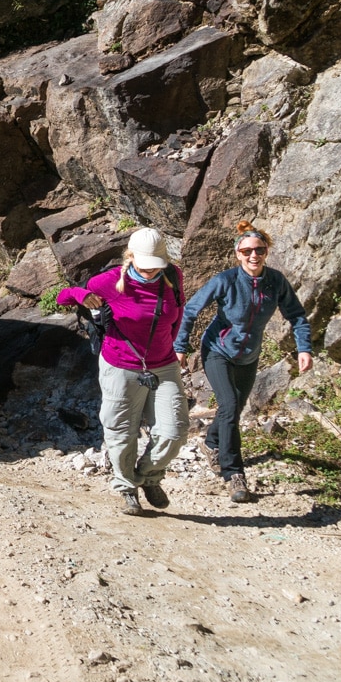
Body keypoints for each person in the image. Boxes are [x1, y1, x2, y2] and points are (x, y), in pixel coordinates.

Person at [175, 221, 313, 504]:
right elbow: (191, 309)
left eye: (259, 250)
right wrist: (180, 346)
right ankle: (233, 474)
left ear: (266, 252)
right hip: (217, 350)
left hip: (249, 356)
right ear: (238, 254)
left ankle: (211, 442)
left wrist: (304, 348)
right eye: (247, 250)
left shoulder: (275, 282)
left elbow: (296, 315)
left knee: (233, 409)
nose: (254, 255)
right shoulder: (225, 280)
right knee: (227, 406)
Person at [56, 227, 186, 516]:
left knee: (175, 431)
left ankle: (149, 476)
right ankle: (127, 485)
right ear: (130, 257)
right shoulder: (109, 282)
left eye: (157, 266)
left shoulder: (173, 276)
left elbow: (177, 312)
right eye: (145, 266)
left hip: (163, 364)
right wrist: (81, 294)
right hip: (120, 365)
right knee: (121, 431)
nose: (152, 272)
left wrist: (175, 346)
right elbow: (62, 297)